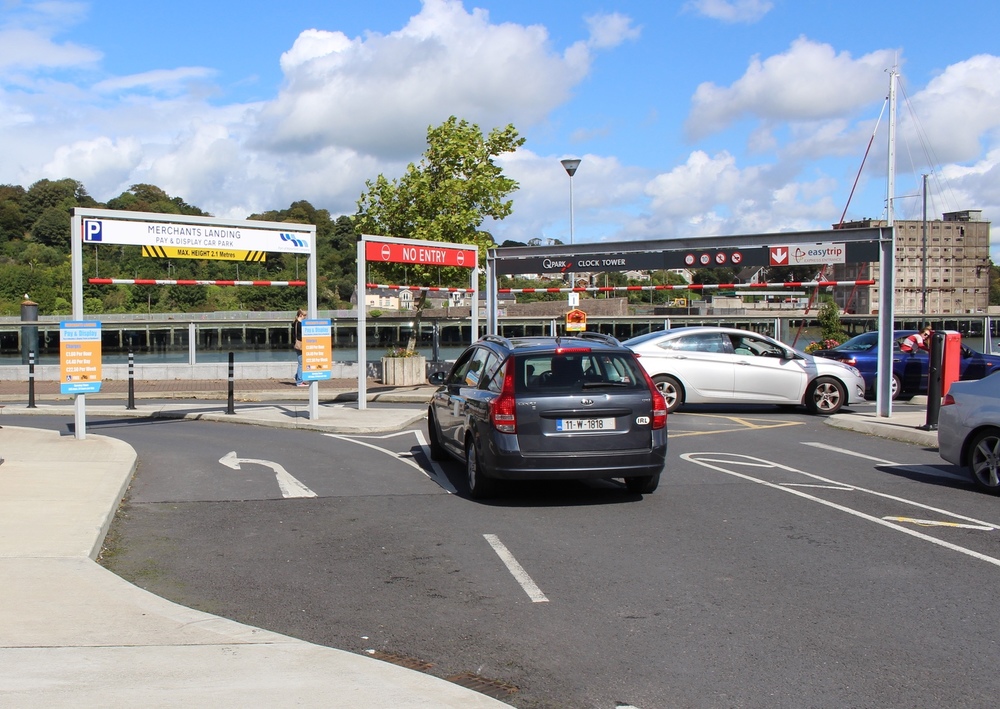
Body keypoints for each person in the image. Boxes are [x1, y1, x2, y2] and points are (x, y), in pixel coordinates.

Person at [292, 309, 306, 386]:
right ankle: (299, 381)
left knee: (301, 363)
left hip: (296, 344)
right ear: (301, 315)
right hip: (300, 345)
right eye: (304, 315)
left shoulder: (295, 323)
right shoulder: (300, 324)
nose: (305, 317)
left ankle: (297, 376)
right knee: (301, 364)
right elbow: (301, 336)